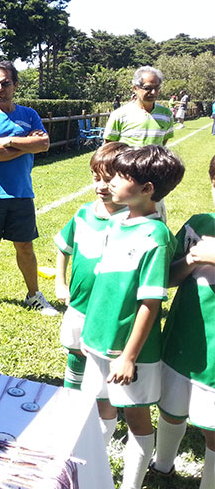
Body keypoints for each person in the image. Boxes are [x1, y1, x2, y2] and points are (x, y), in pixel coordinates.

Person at [79, 144, 185, 489]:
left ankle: (131, 484)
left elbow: (149, 303)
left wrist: (129, 356)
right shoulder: (116, 222)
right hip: (97, 337)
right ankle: (91, 470)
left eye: (121, 177)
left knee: (137, 418)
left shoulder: (156, 237)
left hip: (129, 353)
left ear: (147, 189)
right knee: (96, 406)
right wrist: (89, 330)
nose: (110, 183)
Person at [0, 61, 55, 314]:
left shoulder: (29, 114)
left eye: (5, 83)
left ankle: (33, 295)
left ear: (15, 85)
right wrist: (26, 144)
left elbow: (44, 144)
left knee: (25, 246)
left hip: (21, 192)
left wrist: (6, 142)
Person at [150, 154, 215, 486]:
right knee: (171, 406)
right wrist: (191, 257)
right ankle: (162, 465)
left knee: (212, 425)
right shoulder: (199, 224)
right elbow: (169, 277)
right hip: (183, 337)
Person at [54, 142, 129, 390]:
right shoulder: (83, 213)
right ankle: (70, 398)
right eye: (96, 178)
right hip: (79, 303)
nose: (100, 186)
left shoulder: (134, 222)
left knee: (105, 360)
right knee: (75, 352)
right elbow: (64, 247)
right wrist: (61, 283)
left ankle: (104, 407)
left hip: (111, 310)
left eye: (108, 180)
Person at [103, 66, 174, 147]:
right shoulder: (119, 115)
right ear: (135, 89)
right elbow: (109, 147)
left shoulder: (166, 114)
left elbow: (163, 142)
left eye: (157, 88)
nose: (153, 92)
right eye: (148, 88)